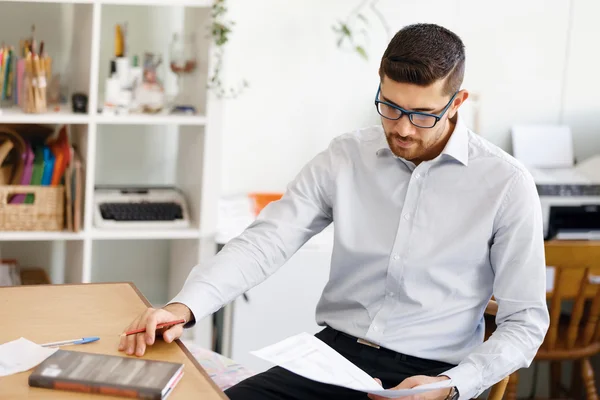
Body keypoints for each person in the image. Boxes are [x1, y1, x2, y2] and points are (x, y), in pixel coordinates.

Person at [119, 23, 550, 400]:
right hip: (332, 358)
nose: (400, 127)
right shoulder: (346, 156)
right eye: (391, 106)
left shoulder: (506, 184)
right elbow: (266, 240)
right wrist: (185, 307)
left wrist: (455, 384)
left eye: (421, 115)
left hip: (428, 377)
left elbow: (525, 321)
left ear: (457, 102)